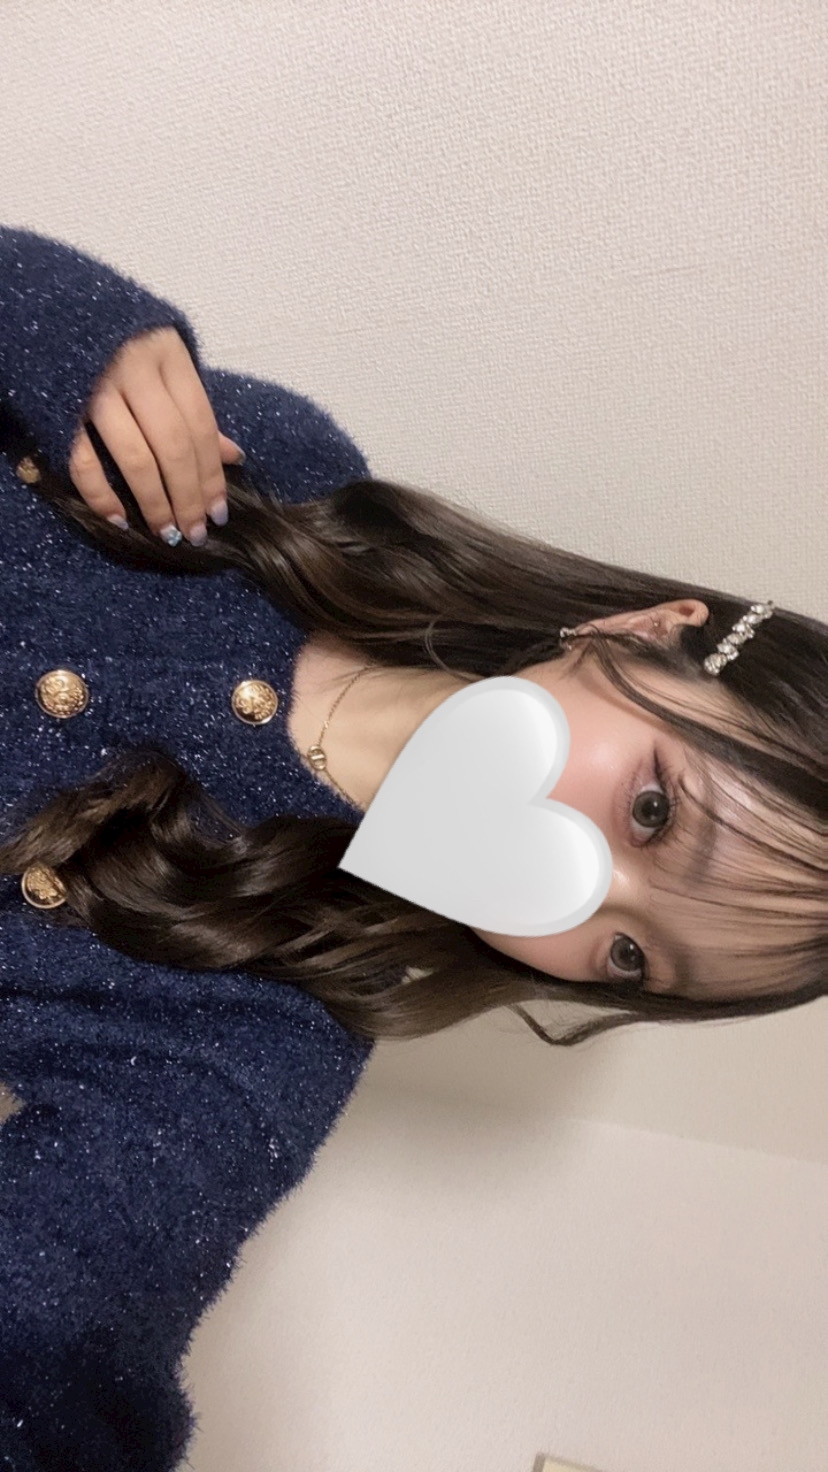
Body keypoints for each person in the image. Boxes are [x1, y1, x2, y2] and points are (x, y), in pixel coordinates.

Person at [0, 226, 824, 1471]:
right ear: (646, 627)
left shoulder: (258, 1040)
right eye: (654, 810)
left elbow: (53, 1326)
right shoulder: (293, 479)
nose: (576, 891)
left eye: (627, 952)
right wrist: (69, 330)